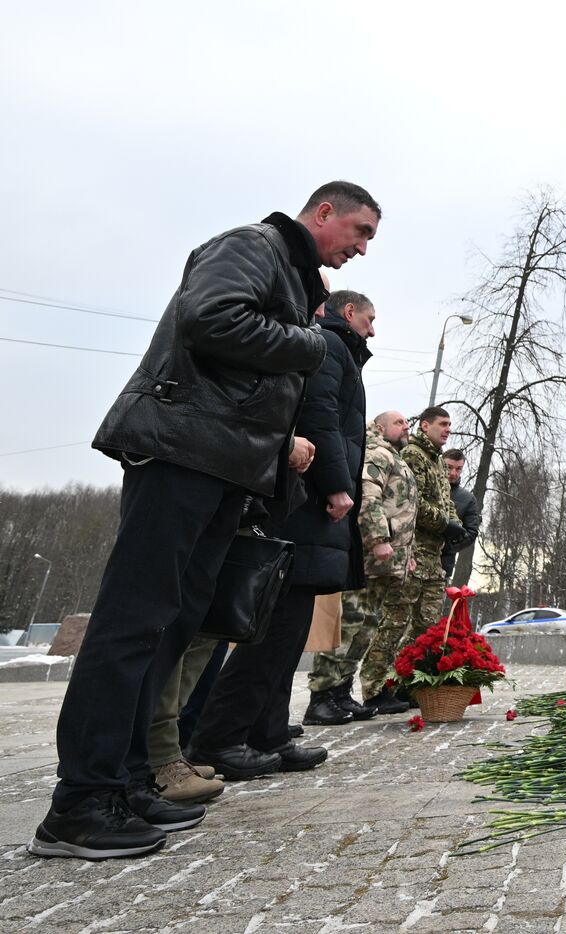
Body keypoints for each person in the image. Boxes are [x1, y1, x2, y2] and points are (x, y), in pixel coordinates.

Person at [30, 181, 381, 861]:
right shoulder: (253, 246)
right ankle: (78, 801)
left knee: (174, 624)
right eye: (360, 232)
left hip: (226, 466)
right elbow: (210, 319)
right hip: (182, 452)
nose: (362, 249)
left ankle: (128, 780)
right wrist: (309, 343)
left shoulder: (291, 273)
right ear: (325, 212)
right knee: (134, 621)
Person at [189, 289, 378, 777]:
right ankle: (218, 739)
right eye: (370, 320)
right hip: (305, 503)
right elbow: (319, 418)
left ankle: (267, 733)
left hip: (311, 507)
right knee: (272, 633)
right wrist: (335, 485)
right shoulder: (329, 346)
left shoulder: (335, 350)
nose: (373, 332)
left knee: (289, 630)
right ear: (350, 313)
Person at [303, 411, 419, 724]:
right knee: (352, 623)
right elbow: (368, 496)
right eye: (399, 422)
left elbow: (403, 510)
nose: (406, 426)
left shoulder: (395, 457)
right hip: (371, 556)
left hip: (388, 559)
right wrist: (379, 538)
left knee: (365, 627)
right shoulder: (377, 453)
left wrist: (405, 553)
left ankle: (341, 692)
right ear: (380, 427)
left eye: (406, 422)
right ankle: (321, 696)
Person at [360, 407, 464, 711]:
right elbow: (412, 505)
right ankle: (375, 685)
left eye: (450, 425)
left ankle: (408, 683)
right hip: (413, 550)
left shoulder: (435, 460)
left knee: (427, 626)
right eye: (442, 424)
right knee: (396, 621)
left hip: (433, 556)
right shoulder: (415, 455)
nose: (447, 430)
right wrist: (444, 524)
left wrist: (454, 525)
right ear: (425, 425)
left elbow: (446, 502)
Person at [441, 448, 481, 578]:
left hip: (442, 565)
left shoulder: (468, 499)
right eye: (449, 467)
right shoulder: (424, 486)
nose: (453, 473)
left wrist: (446, 546)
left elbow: (471, 532)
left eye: (458, 469)